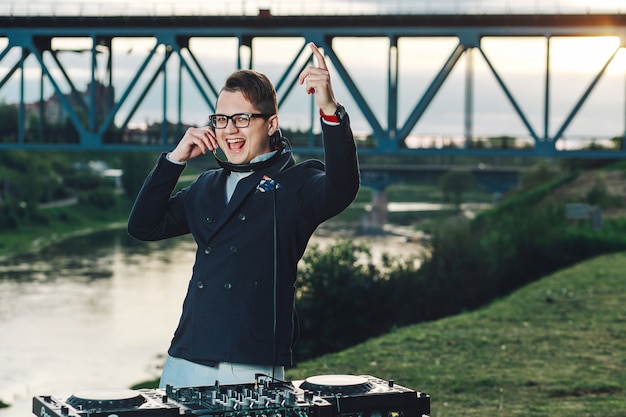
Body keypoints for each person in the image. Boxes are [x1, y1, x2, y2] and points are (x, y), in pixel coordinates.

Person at [127, 42, 360, 388]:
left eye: (242, 118)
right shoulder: (206, 186)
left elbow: (341, 187)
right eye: (222, 119)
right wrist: (175, 160)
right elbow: (144, 226)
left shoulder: (295, 184)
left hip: (249, 363)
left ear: (271, 124)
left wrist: (329, 109)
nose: (230, 130)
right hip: (184, 355)